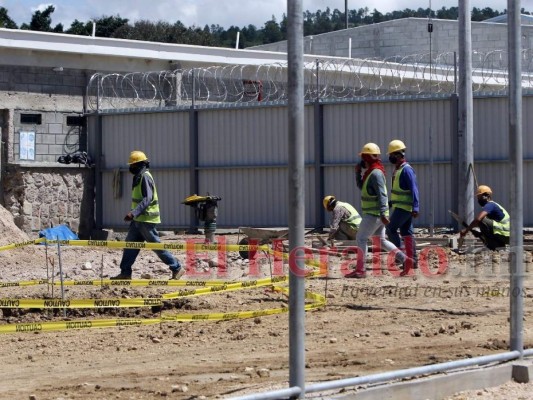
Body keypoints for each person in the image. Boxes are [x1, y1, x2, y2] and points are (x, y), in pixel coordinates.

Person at [111, 150, 185, 280]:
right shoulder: (138, 177)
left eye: (133, 165)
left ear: (140, 165)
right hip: (138, 220)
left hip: (146, 220)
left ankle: (177, 268)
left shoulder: (145, 176)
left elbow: (148, 198)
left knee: (156, 246)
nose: (131, 168)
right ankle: (125, 273)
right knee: (130, 245)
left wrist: (133, 213)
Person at [349, 142, 410, 279]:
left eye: (363, 158)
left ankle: (360, 270)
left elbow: (383, 194)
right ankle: (405, 260)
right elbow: (363, 187)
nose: (362, 161)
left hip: (374, 214)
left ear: (367, 158)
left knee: (361, 238)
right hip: (376, 215)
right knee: (380, 241)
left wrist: (384, 213)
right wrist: (358, 172)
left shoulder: (375, 174)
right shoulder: (371, 173)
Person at [385, 140, 419, 273]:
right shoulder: (399, 170)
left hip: (404, 208)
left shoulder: (407, 170)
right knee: (407, 233)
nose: (390, 157)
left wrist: (416, 207)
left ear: (399, 155)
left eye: (392, 154)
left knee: (390, 228)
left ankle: (402, 258)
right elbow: (399, 191)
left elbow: (414, 189)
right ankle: (413, 261)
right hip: (401, 206)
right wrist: (390, 202)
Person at [459, 185, 510, 251]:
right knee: (482, 223)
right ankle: (497, 246)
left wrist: (466, 230)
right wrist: (480, 233)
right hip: (506, 235)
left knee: (482, 220)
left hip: (506, 234)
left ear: (486, 196)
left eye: (479, 197)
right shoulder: (493, 205)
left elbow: (478, 219)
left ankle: (492, 245)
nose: (478, 200)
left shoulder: (490, 205)